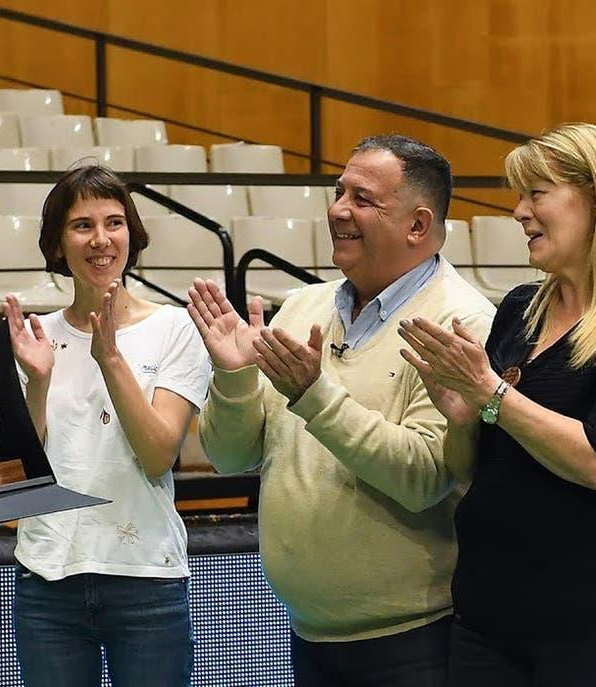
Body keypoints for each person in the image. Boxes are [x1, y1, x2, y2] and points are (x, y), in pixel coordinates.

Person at [188, 135, 495, 687]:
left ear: (418, 226)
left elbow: (426, 475)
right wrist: (233, 375)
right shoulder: (305, 306)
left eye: (362, 198)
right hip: (307, 635)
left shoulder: (461, 324)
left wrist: (314, 396)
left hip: (415, 641)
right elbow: (231, 456)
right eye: (337, 192)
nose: (337, 211)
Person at [399, 123, 596, 686]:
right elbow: (470, 469)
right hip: (490, 625)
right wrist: (463, 420)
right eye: (519, 194)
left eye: (536, 193)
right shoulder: (518, 310)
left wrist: (490, 394)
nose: (517, 211)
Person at [3, 164, 211, 687]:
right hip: (49, 580)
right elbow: (20, 474)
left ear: (131, 235)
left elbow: (159, 454)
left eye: (114, 223)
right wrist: (38, 382)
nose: (101, 240)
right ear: (57, 245)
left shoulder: (175, 329)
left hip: (146, 579)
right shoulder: (34, 337)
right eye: (82, 225)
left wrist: (110, 359)